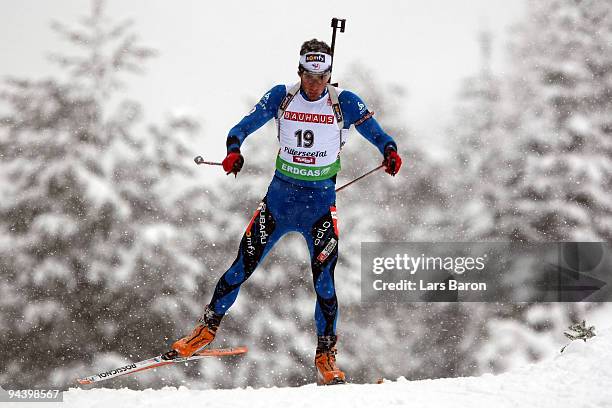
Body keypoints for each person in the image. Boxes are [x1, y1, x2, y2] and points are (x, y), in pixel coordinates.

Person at [171, 39, 402, 385]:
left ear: (328, 75)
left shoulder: (345, 103)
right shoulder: (282, 96)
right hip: (279, 203)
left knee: (325, 283)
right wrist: (234, 151)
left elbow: (379, 134)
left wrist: (390, 151)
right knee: (240, 267)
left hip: (319, 210)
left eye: (321, 76)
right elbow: (240, 128)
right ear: (299, 72)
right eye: (308, 75)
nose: (314, 83)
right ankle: (206, 329)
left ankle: (325, 354)